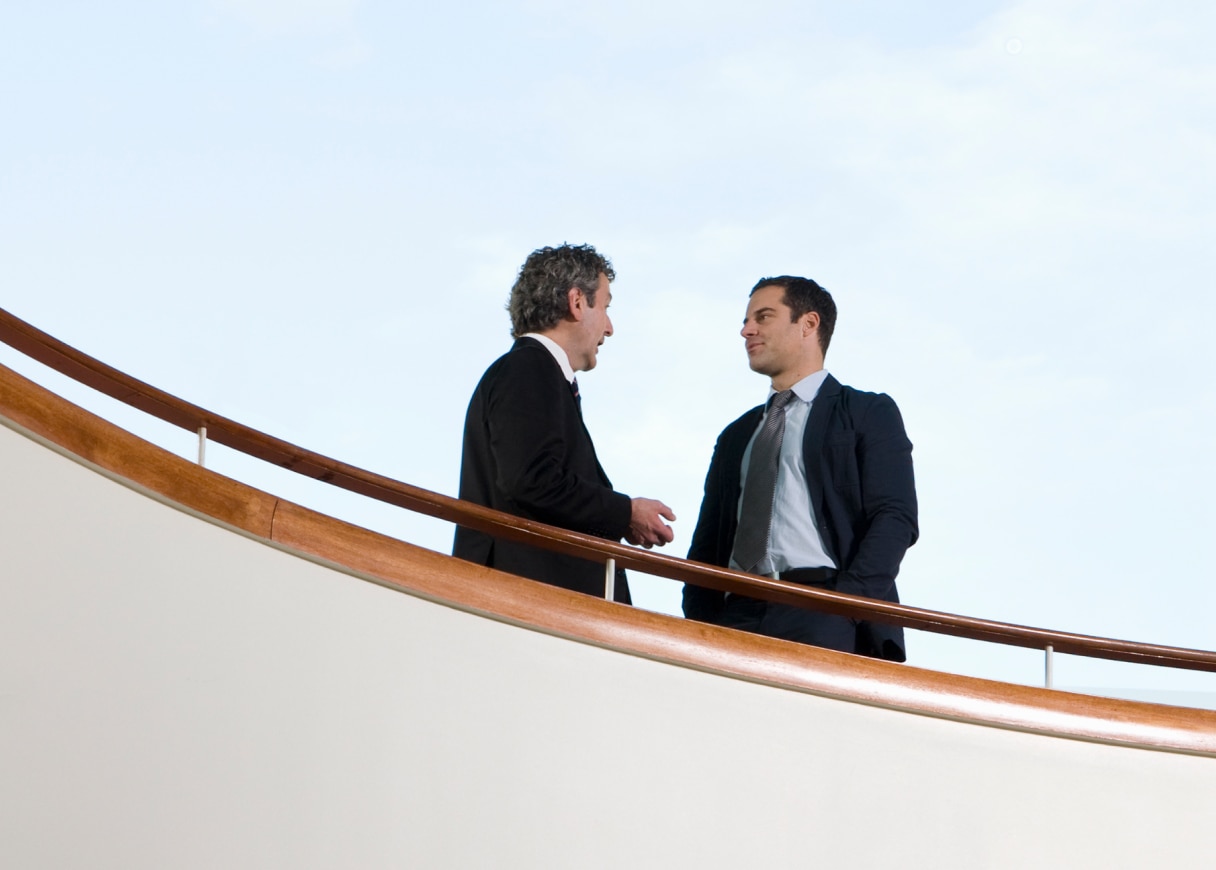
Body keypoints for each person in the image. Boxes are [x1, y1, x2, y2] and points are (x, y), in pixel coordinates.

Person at [683, 276, 917, 660]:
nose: (746, 330)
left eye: (763, 317)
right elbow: (708, 541)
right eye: (746, 320)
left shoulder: (867, 413)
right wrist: (703, 615)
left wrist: (847, 606)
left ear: (808, 324)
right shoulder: (737, 435)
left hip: (824, 612)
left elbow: (895, 517)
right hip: (734, 613)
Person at [453, 243, 676, 603]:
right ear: (576, 302)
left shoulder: (532, 372)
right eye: (605, 307)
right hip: (530, 600)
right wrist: (625, 512)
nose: (610, 327)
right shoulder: (529, 368)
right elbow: (532, 481)